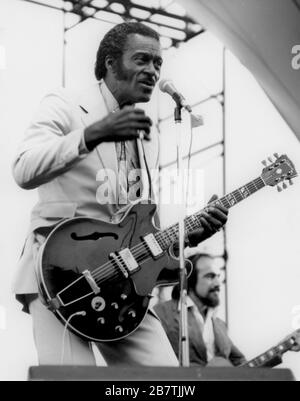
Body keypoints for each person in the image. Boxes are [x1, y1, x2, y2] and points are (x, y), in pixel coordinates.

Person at [12, 22, 228, 366]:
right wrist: (94, 134)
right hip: (60, 275)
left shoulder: (147, 137)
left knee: (166, 383)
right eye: (142, 60)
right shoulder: (66, 104)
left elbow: (138, 226)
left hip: (123, 286)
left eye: (158, 64)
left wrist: (188, 235)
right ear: (110, 63)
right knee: (72, 382)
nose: (152, 71)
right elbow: (24, 170)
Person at [154, 253, 300, 367]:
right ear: (189, 281)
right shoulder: (161, 313)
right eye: (210, 276)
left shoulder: (220, 326)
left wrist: (282, 346)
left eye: (218, 276)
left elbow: (245, 370)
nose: (218, 283)